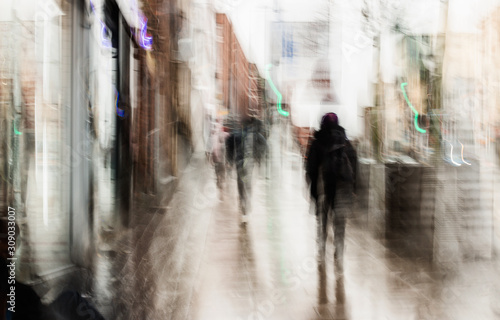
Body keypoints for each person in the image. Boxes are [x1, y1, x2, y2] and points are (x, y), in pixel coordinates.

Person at [305, 113, 357, 273]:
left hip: (324, 190)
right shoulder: (345, 142)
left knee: (323, 221)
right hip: (341, 189)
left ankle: (321, 248)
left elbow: (311, 169)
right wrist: (354, 188)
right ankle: (339, 250)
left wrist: (313, 191)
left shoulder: (317, 142)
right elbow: (355, 166)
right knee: (340, 222)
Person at [226, 116, 267, 221]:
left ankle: (242, 201)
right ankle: (247, 202)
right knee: (248, 183)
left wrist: (230, 159)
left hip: (239, 163)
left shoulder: (238, 134)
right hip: (249, 164)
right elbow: (265, 147)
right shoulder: (257, 136)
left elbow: (229, 142)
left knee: (240, 183)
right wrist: (259, 159)